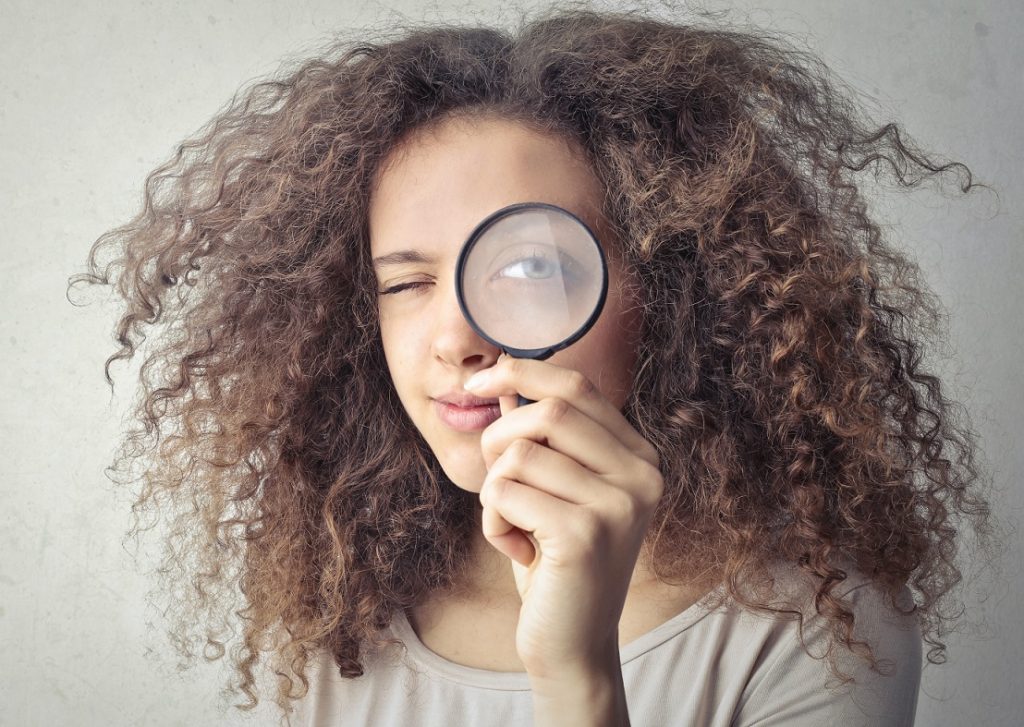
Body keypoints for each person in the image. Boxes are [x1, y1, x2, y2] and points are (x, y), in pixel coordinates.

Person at [67, 3, 998, 726]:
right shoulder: (339, 622)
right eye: (407, 283)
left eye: (528, 267)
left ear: (669, 293)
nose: (456, 337)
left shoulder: (818, 633)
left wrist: (579, 671)